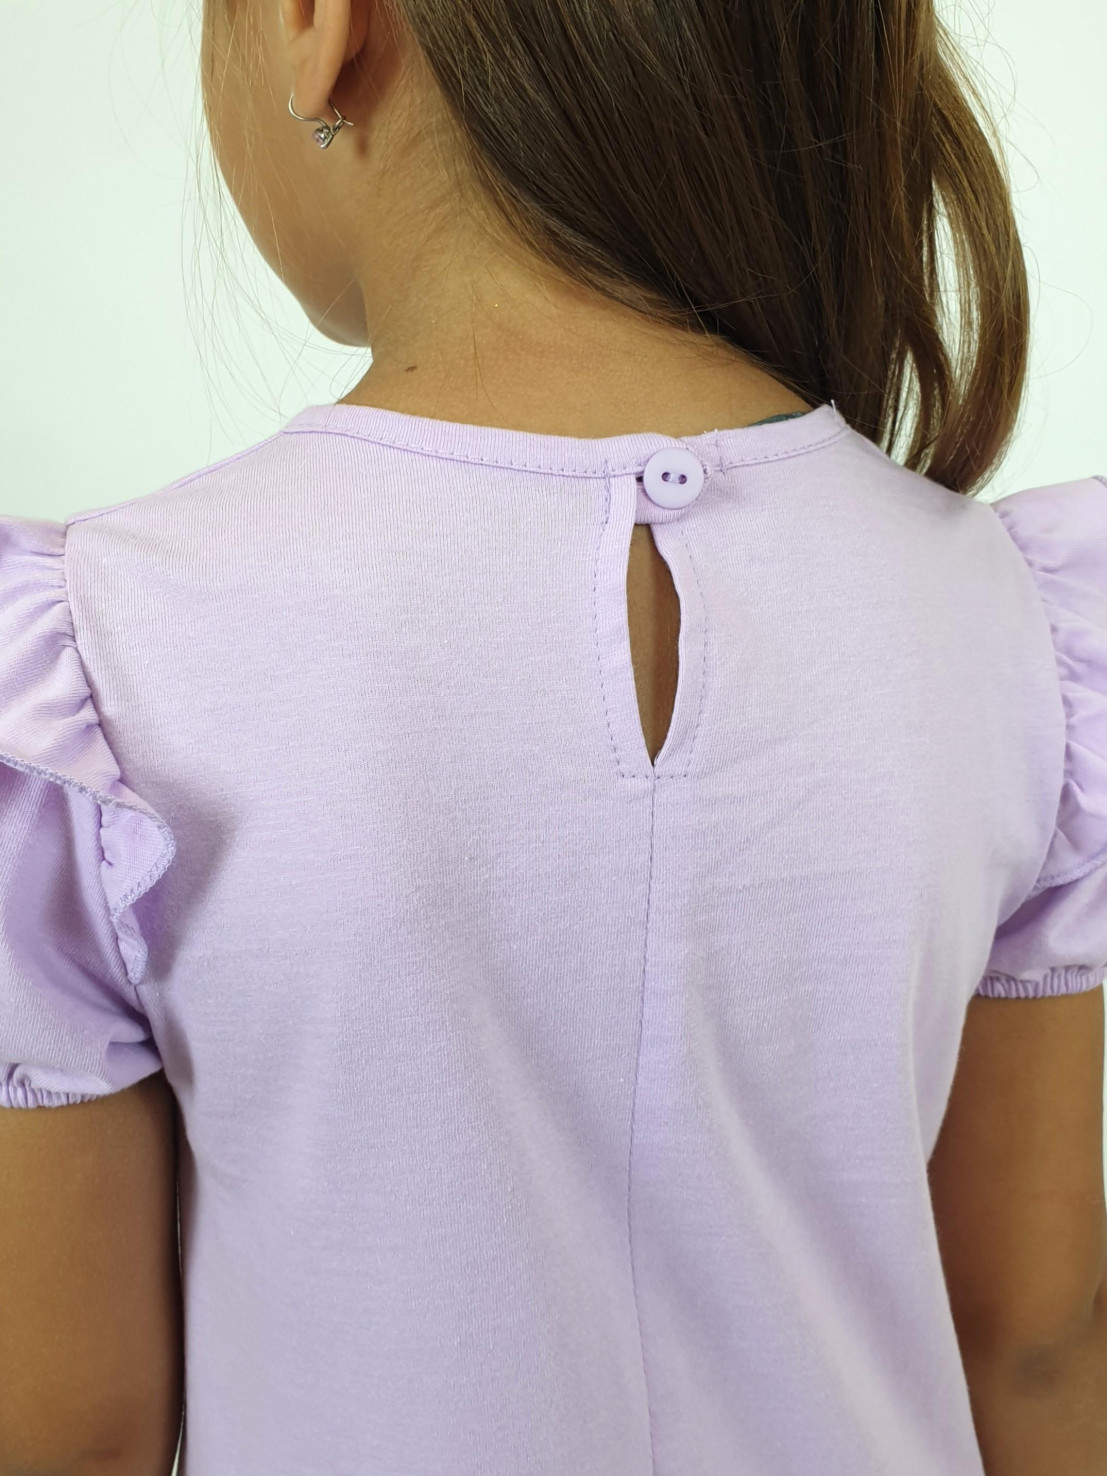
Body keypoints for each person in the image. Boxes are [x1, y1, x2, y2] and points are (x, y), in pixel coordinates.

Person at [1, 2, 1105, 1474]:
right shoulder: (1017, 626)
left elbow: (73, 1432)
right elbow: (1029, 1340)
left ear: (321, 27)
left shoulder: (94, 661)